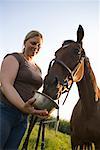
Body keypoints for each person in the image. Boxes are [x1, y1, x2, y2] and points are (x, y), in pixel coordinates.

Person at [0, 30, 48, 149]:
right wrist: (23, 106)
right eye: (33, 43)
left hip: (23, 118)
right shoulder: (14, 58)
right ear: (25, 42)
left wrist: (41, 109)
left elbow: (33, 93)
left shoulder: (38, 69)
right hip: (5, 111)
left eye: (39, 46)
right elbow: (6, 85)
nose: (36, 47)